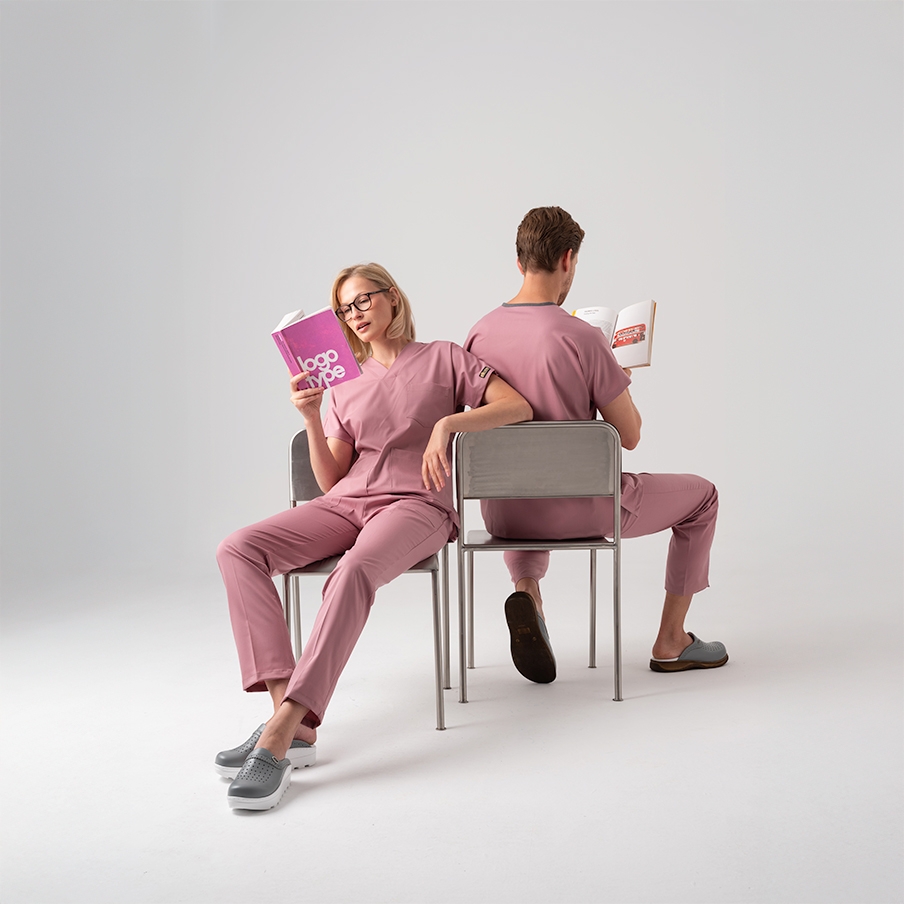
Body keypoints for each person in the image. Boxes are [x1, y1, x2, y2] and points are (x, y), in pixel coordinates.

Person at [216, 262, 532, 810]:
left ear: (392, 298)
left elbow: (517, 406)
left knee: (354, 571)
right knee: (238, 548)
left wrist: (447, 425)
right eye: (344, 309)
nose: (354, 314)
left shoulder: (444, 357)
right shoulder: (344, 380)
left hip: (417, 503)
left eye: (362, 300)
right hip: (346, 502)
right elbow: (330, 480)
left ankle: (279, 733)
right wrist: (312, 416)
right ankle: (288, 718)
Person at [465, 206, 727, 685]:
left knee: (529, 485)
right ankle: (672, 640)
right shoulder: (583, 338)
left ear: (519, 262)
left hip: (504, 515)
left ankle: (528, 590)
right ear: (567, 259)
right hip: (581, 510)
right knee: (703, 498)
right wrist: (616, 380)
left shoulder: (479, 333)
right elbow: (630, 434)